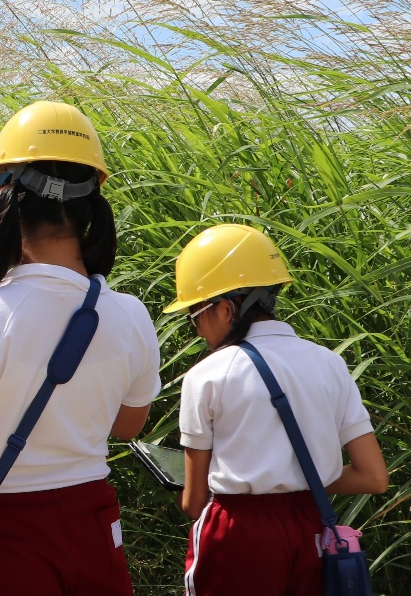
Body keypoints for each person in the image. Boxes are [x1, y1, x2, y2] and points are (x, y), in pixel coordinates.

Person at [0, 101, 161, 595]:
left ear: (5, 198)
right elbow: (128, 425)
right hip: (92, 528)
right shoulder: (131, 314)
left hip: (2, 536)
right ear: (90, 201)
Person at [168, 223, 389, 595]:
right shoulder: (328, 363)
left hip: (237, 534)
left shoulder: (206, 375)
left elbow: (193, 503)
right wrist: (301, 476)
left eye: (195, 316)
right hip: (312, 530)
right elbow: (374, 478)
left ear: (224, 309)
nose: (198, 331)